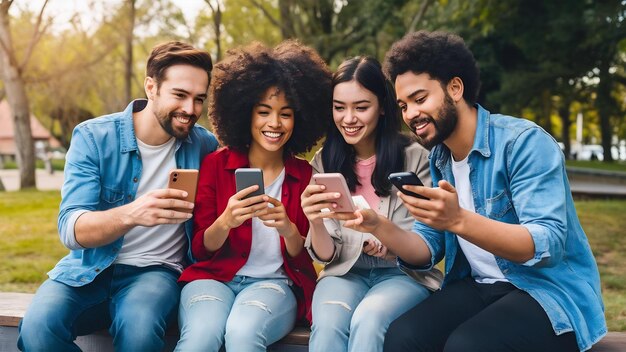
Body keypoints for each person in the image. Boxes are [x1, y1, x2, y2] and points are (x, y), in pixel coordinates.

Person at [341, 30, 606, 352]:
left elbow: (545, 241)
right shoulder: (440, 158)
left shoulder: (522, 143)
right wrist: (377, 226)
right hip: (480, 286)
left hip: (547, 292)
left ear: (455, 88)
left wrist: (458, 220)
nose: (410, 114)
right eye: (403, 105)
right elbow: (426, 249)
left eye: (420, 99)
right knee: (402, 336)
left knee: (467, 345)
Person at [17, 41, 218, 352]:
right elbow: (71, 229)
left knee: (138, 330)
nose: (190, 110)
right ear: (151, 87)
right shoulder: (94, 138)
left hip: (157, 271)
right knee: (38, 329)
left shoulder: (204, 145)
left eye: (198, 99)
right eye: (179, 95)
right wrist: (132, 213)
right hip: (90, 268)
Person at [174, 40, 331, 351]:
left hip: (275, 285)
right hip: (213, 279)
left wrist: (288, 228)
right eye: (264, 112)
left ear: (299, 118)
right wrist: (226, 221)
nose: (274, 123)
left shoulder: (305, 176)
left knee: (243, 335)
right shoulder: (215, 165)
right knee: (201, 338)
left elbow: (306, 255)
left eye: (285, 114)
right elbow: (201, 250)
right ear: (246, 113)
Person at [300, 56, 443, 352]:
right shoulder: (325, 162)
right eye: (339, 108)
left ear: (381, 107)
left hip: (402, 275)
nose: (348, 118)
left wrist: (383, 237)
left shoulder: (415, 158)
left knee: (369, 318)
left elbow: (423, 247)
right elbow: (327, 256)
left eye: (361, 107)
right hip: (344, 273)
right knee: (328, 325)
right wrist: (314, 220)